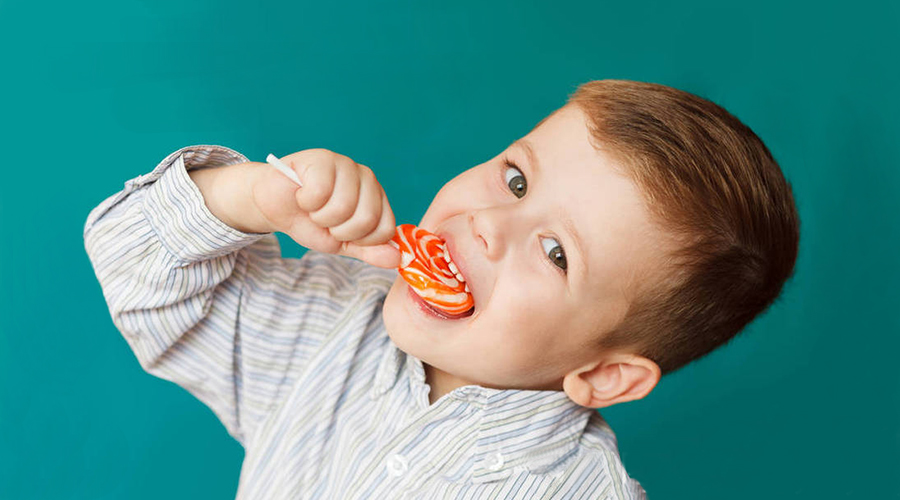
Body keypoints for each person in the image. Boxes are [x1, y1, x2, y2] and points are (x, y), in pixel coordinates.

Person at [83, 79, 800, 499]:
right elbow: (141, 273)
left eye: (555, 253)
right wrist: (255, 197)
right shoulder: (329, 328)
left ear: (605, 373)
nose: (490, 224)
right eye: (516, 179)